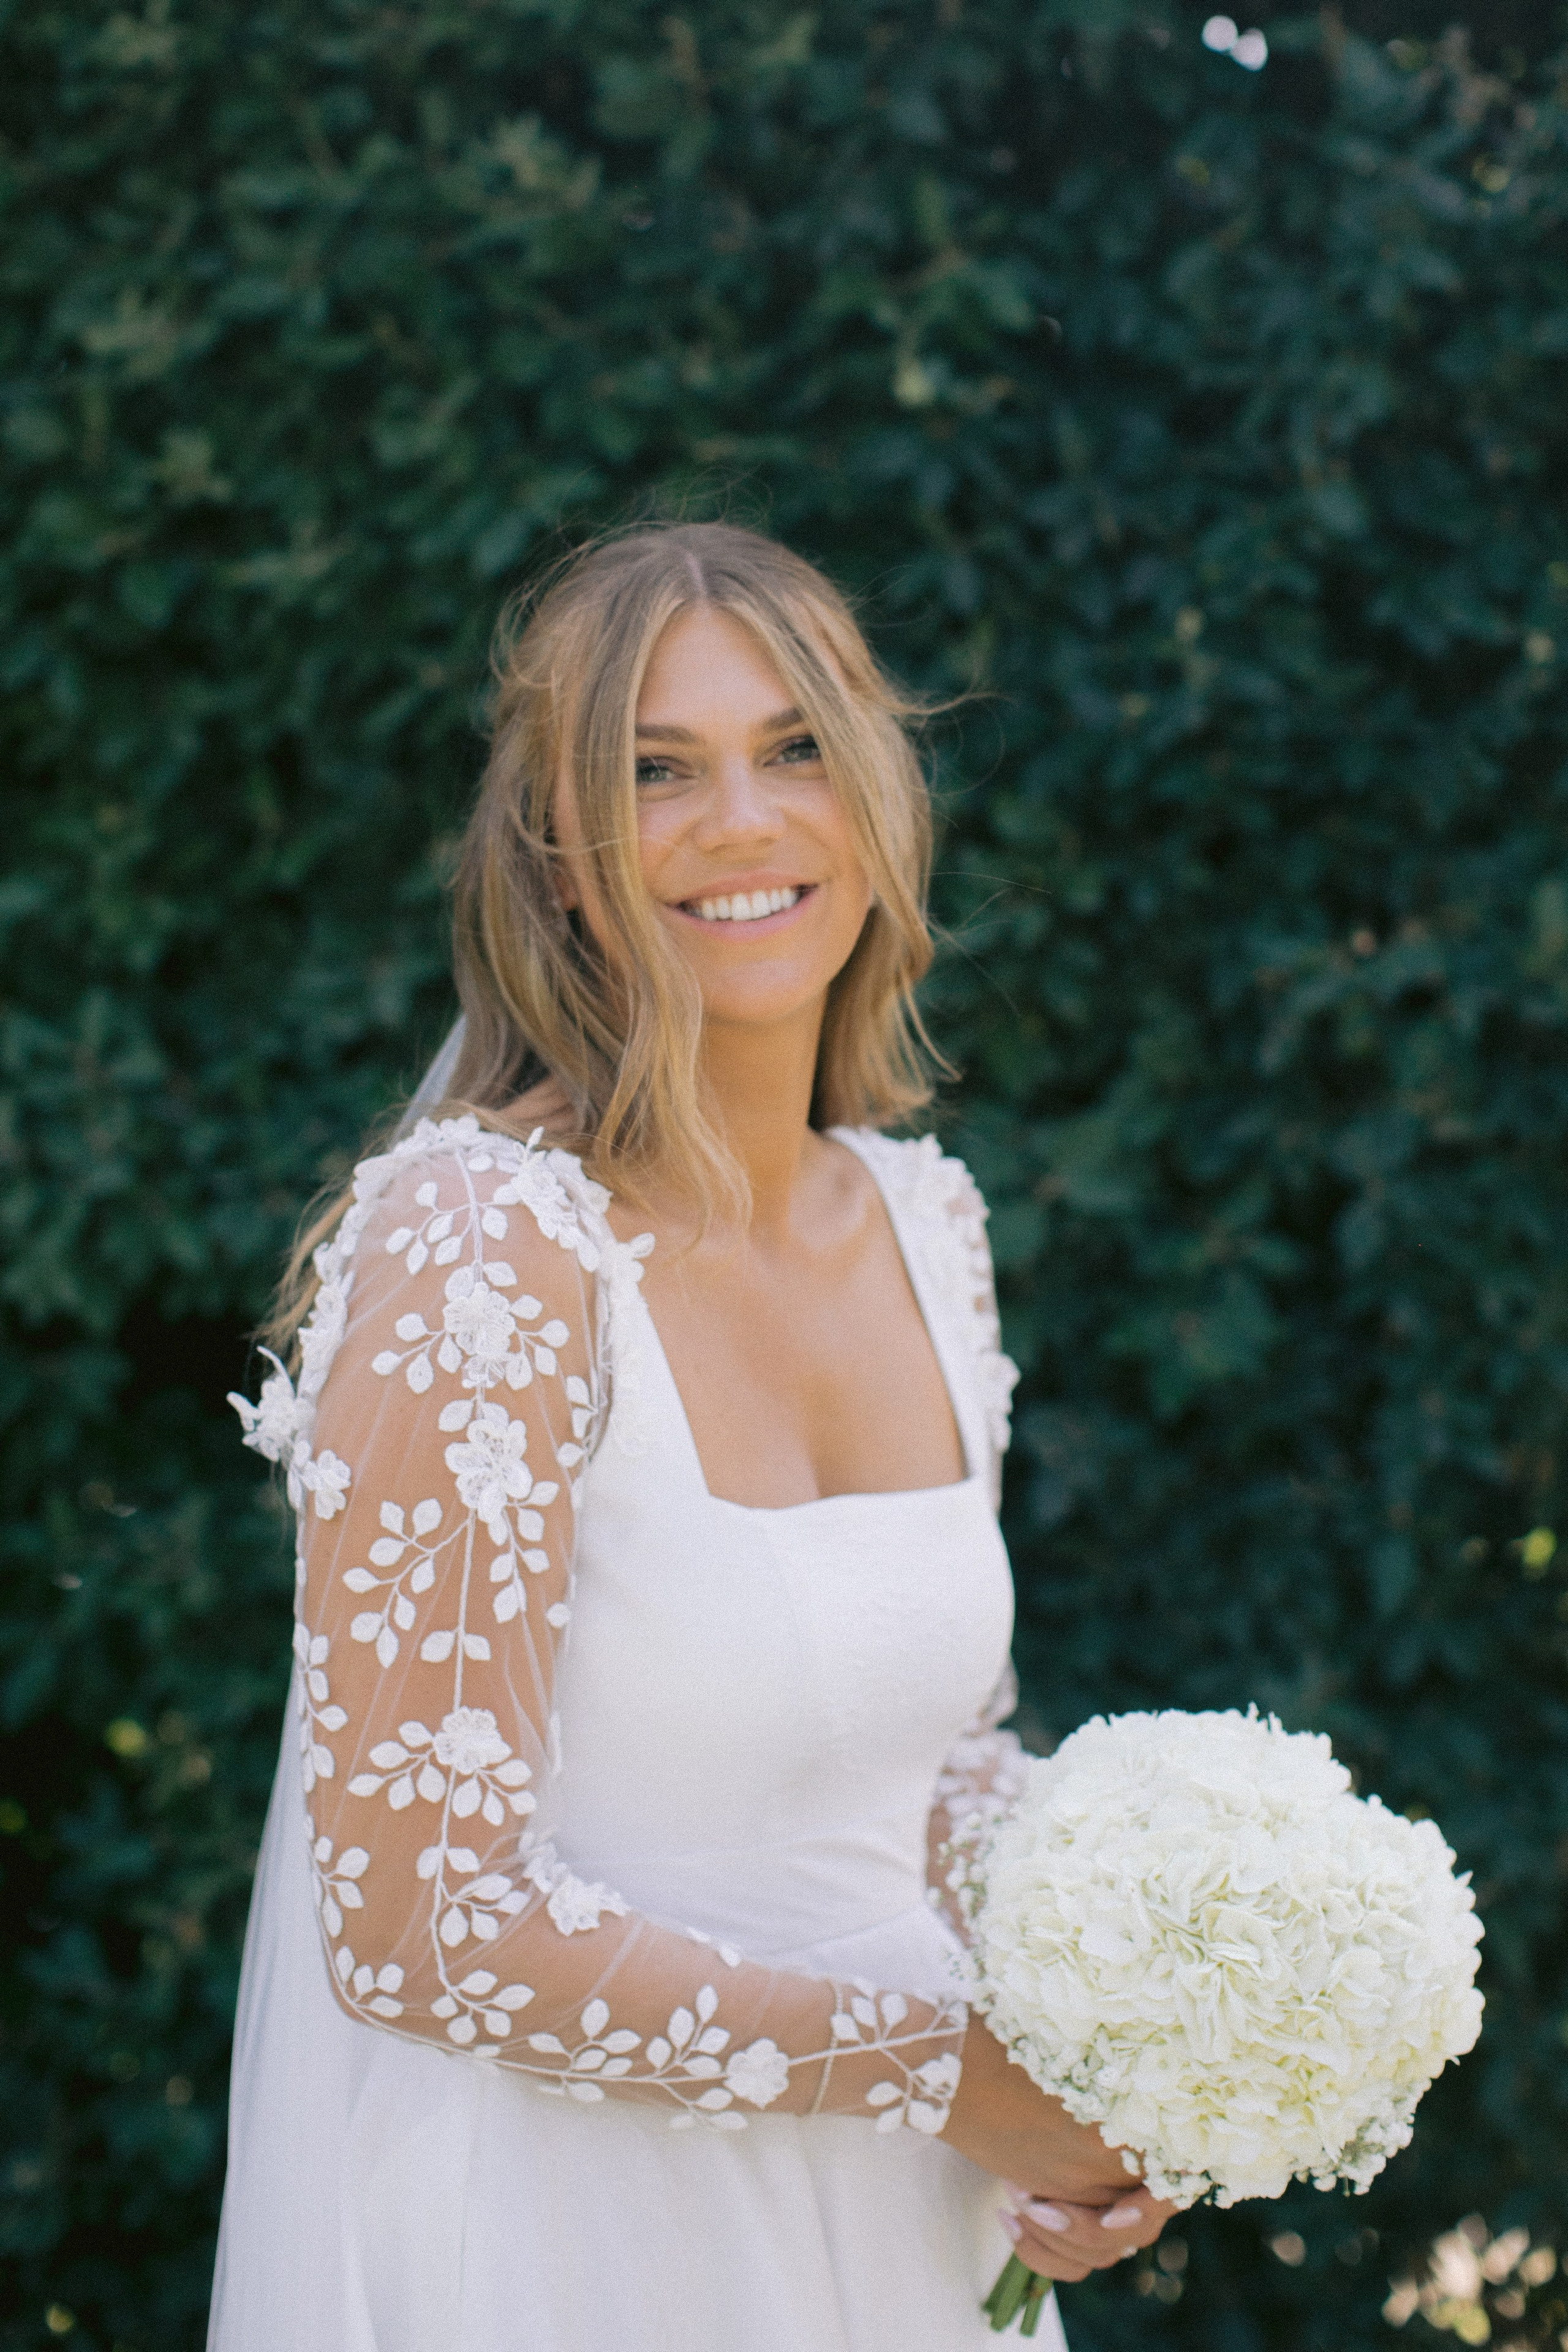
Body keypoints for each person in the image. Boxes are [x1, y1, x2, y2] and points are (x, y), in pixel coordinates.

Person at [211, 522, 1173, 2351]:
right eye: (657, 772)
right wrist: (941, 2074)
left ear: (877, 801)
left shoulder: (925, 1223)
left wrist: (1146, 2042)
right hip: (589, 2245)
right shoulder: (480, 1246)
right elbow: (421, 1922)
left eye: (795, 748)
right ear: (560, 858)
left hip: (914, 2240)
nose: (742, 820)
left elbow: (938, 1761)